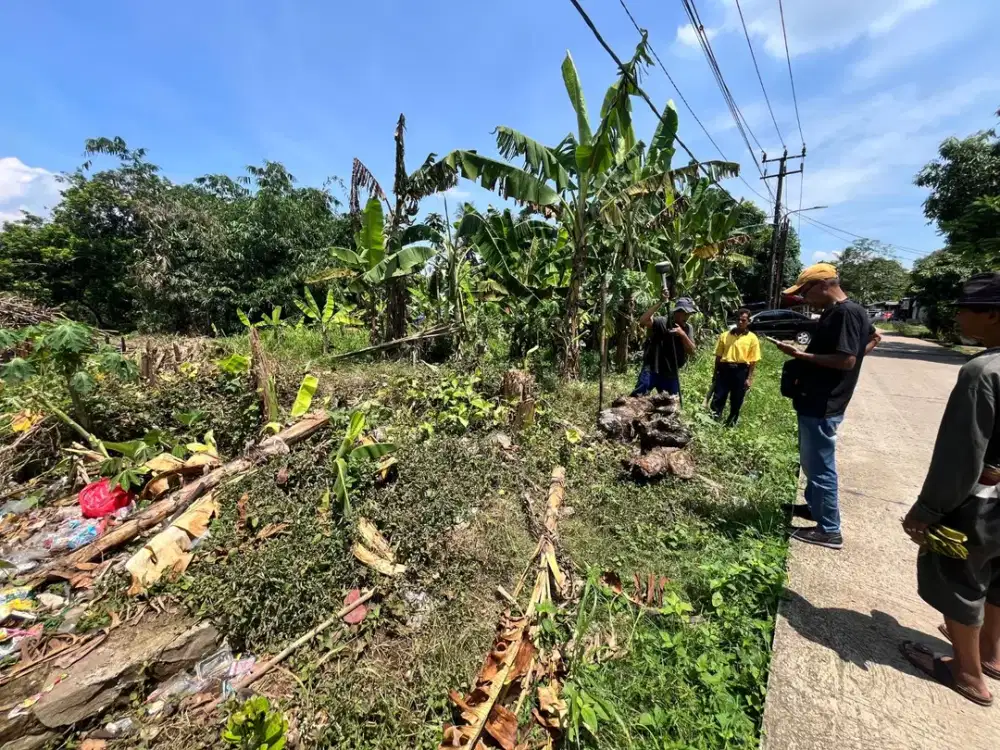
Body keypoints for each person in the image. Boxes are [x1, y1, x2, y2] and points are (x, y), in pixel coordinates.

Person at [899, 272, 1000, 707]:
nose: (957, 314)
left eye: (966, 307)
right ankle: (993, 654)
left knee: (961, 579)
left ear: (993, 315)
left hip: (978, 502)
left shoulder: (982, 373)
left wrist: (928, 509)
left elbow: (962, 458)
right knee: (996, 578)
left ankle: (966, 673)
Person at [772, 263, 881, 549]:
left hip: (823, 401)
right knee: (812, 461)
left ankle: (829, 529)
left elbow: (846, 360)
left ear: (823, 285)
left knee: (820, 465)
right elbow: (873, 338)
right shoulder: (848, 311)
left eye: (805, 290)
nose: (803, 297)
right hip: (821, 397)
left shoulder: (844, 313)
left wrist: (799, 355)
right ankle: (815, 507)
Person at [632, 292, 697, 396]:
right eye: (685, 314)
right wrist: (661, 301)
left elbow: (692, 351)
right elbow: (643, 321)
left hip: (671, 372)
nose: (687, 317)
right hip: (653, 368)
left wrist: (682, 335)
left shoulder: (688, 329)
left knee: (672, 401)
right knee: (639, 395)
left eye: (689, 314)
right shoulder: (662, 322)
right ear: (677, 312)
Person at [710, 308, 761, 425]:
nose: (740, 322)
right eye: (738, 319)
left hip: (741, 371)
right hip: (724, 370)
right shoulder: (724, 336)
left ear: (748, 321)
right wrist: (715, 374)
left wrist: (749, 378)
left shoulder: (752, 338)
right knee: (718, 397)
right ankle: (713, 422)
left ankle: (731, 423)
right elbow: (718, 357)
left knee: (737, 399)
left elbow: (753, 361)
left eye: (743, 320)